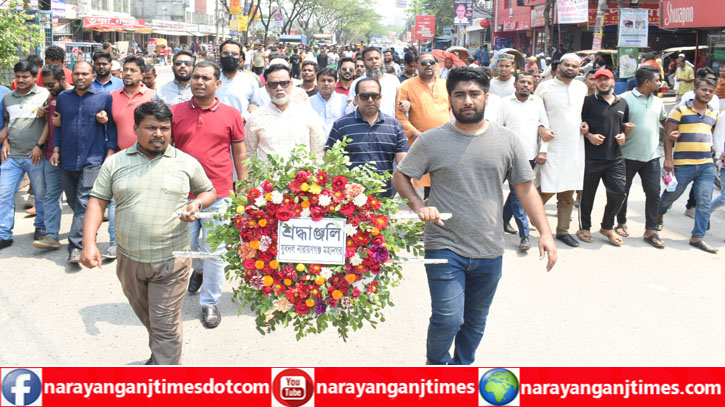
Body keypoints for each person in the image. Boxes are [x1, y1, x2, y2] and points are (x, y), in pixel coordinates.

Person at [392, 66, 557, 365]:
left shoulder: (506, 140)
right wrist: (418, 205)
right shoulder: (432, 140)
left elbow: (526, 190)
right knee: (447, 317)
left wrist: (544, 232)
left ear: (486, 98)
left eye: (474, 94)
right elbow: (401, 176)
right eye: (460, 95)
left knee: (475, 320)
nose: (467, 101)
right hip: (444, 244)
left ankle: (462, 369)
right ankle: (437, 366)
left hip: (489, 247)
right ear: (450, 100)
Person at [81, 101, 217, 365]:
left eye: (164, 128)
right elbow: (97, 202)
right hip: (129, 260)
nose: (159, 134)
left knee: (164, 324)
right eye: (151, 127)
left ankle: (165, 378)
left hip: (172, 261)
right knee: (151, 318)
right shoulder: (116, 163)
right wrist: (89, 243)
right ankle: (161, 354)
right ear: (135, 129)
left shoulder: (186, 162)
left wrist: (197, 203)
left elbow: (208, 190)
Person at [170, 61, 247, 327]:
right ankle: (197, 271)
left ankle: (210, 302)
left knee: (215, 251)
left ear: (218, 84)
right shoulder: (174, 112)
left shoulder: (231, 114)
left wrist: (243, 185)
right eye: (195, 77)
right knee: (186, 249)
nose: (199, 82)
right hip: (182, 195)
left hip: (220, 193)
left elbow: (239, 152)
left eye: (205, 78)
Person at [51, 62, 117, 263]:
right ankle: (89, 229)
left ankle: (76, 247)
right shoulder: (63, 98)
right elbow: (59, 126)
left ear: (92, 75)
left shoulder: (104, 98)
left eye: (85, 74)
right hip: (67, 158)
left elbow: (112, 127)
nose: (80, 77)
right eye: (77, 73)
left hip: (93, 158)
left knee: (82, 202)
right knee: (73, 201)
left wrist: (110, 152)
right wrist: (55, 149)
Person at [657, 79, 719, 253]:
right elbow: (668, 137)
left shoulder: (713, 114)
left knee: (704, 201)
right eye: (704, 90)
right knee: (671, 195)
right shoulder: (680, 110)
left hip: (706, 164)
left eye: (710, 91)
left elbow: (713, 136)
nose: (707, 93)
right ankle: (659, 214)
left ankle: (697, 237)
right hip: (683, 164)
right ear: (695, 90)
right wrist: (669, 159)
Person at [534, 54, 588, 248]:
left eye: (575, 66)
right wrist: (540, 129)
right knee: (547, 187)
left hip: (574, 146)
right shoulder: (545, 87)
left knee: (568, 189)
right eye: (567, 65)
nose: (571, 68)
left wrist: (586, 126)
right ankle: (527, 219)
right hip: (552, 146)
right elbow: (534, 113)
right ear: (559, 66)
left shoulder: (581, 88)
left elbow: (584, 114)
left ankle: (563, 231)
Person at [496, 72, 552, 251]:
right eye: (522, 82)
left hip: (529, 156)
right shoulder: (504, 103)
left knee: (518, 194)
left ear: (533, 86)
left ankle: (514, 228)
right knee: (516, 194)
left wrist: (543, 151)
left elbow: (545, 128)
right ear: (515, 85)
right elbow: (497, 128)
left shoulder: (537, 103)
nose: (525, 85)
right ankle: (517, 229)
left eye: (529, 82)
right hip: (506, 156)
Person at [327, 78, 408, 198]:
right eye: (365, 96)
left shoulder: (394, 126)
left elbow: (403, 164)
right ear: (356, 98)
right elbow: (329, 160)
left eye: (374, 95)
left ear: (380, 97)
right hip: (349, 200)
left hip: (384, 198)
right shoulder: (341, 125)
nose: (370, 100)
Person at [577, 69, 631, 246]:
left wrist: (623, 135)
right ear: (595, 83)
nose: (603, 82)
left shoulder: (622, 102)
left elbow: (622, 126)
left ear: (613, 81)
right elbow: (579, 124)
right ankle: (584, 227)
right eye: (599, 80)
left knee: (619, 193)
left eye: (606, 79)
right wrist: (589, 135)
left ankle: (607, 226)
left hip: (614, 157)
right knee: (587, 195)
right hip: (591, 157)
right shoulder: (587, 101)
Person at [0, 61, 50, 249]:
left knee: (40, 195)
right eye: (18, 76)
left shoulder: (44, 95)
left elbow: (49, 124)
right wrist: (5, 142)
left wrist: (39, 145)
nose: (20, 80)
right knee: (4, 194)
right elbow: (7, 123)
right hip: (12, 156)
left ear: (34, 77)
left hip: (35, 156)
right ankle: (4, 234)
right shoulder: (8, 97)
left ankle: (41, 227)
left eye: (25, 77)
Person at [616, 66, 667, 248]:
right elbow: (614, 123)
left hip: (651, 157)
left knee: (654, 193)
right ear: (647, 82)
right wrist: (623, 129)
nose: (660, 83)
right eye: (658, 80)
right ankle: (621, 222)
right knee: (622, 192)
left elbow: (664, 121)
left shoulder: (658, 102)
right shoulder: (624, 99)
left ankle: (650, 230)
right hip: (627, 156)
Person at [395, 53, 450, 200]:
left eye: (431, 62)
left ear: (436, 65)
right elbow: (399, 116)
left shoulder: (446, 85)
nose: (428, 65)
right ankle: (418, 219)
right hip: (418, 142)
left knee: (442, 182)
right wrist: (416, 133)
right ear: (417, 65)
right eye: (424, 62)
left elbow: (453, 112)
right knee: (418, 184)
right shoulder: (406, 85)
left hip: (445, 142)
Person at [245, 64, 326, 163]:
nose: (279, 88)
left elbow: (318, 152)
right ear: (266, 87)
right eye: (273, 84)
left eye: (284, 83)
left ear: (291, 84)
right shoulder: (255, 118)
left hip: (302, 177)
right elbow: (249, 154)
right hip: (267, 177)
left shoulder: (308, 114)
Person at [33, 64, 72, 250]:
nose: (48, 88)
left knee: (78, 199)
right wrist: (40, 144)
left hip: (73, 156)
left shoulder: (75, 96)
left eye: (51, 84)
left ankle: (81, 238)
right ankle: (51, 235)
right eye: (46, 84)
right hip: (51, 155)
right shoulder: (52, 96)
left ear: (62, 79)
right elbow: (50, 124)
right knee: (51, 196)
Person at [215, 40, 265, 120]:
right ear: (220, 55)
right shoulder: (212, 77)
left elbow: (256, 107)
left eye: (234, 54)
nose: (229, 56)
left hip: (240, 128)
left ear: (240, 58)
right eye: (226, 53)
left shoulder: (250, 80)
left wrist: (243, 117)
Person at [347, 47, 401, 117]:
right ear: (364, 62)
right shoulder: (357, 83)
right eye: (370, 59)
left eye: (377, 58)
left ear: (382, 60)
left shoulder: (393, 80)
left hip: (389, 125)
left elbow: (400, 105)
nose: (374, 61)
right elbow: (348, 111)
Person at [309, 68, 347, 136]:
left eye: (330, 81)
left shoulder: (344, 100)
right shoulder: (309, 102)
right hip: (316, 144)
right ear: (317, 82)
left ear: (336, 83)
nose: (326, 84)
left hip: (340, 144)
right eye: (323, 80)